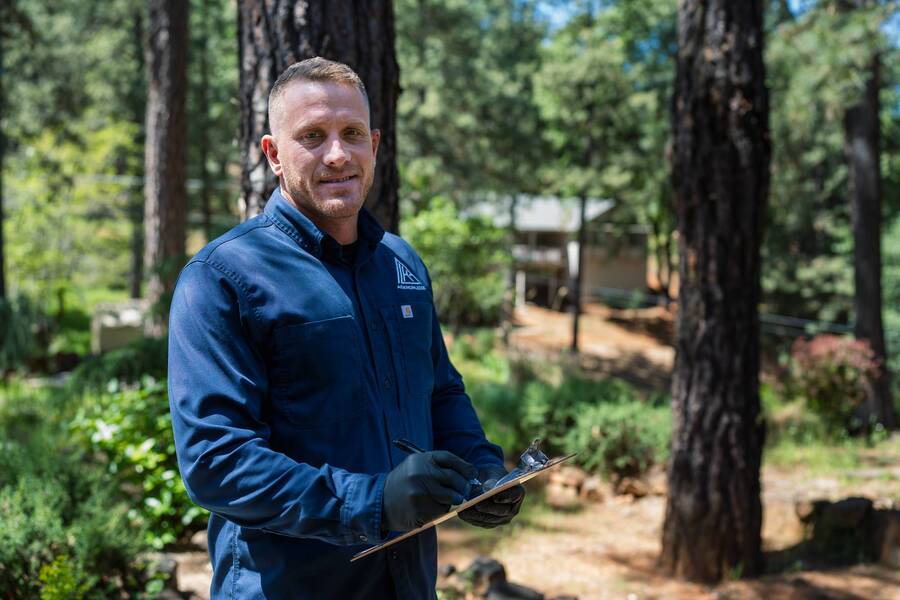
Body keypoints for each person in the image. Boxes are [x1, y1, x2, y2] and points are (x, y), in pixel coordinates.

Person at [167, 57, 525, 600]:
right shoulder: (222, 278)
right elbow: (216, 460)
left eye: (352, 133)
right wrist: (373, 502)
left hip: (408, 585)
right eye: (312, 136)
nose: (338, 154)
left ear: (375, 146)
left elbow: (440, 392)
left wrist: (481, 472)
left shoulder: (401, 265)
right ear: (273, 154)